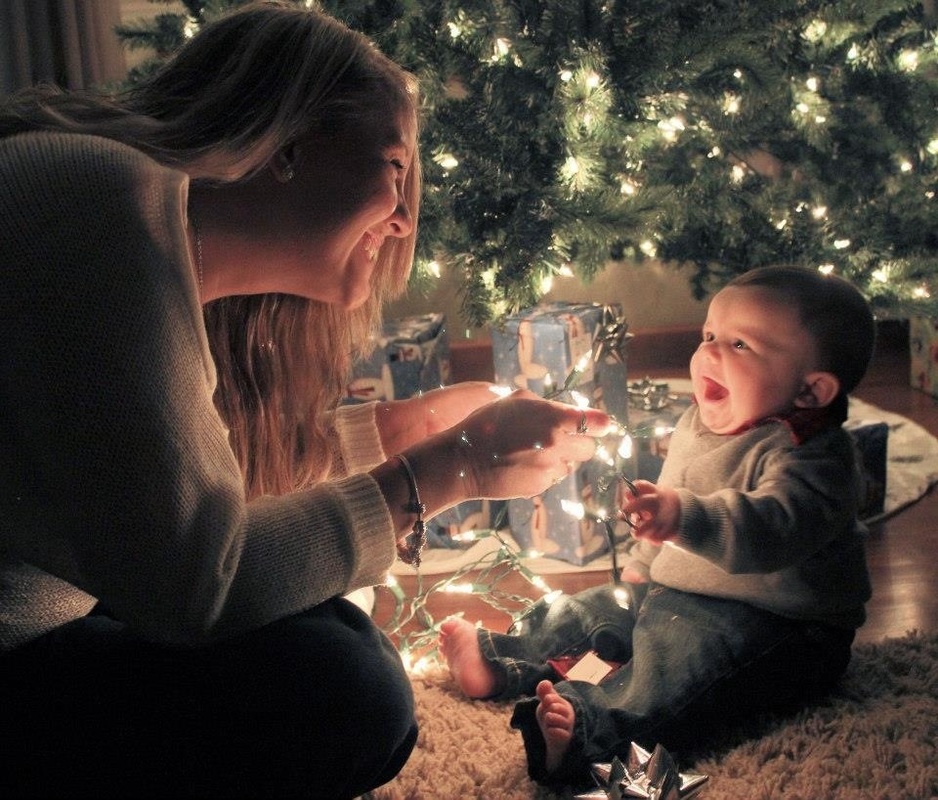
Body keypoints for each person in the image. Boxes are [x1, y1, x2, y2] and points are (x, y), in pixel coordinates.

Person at [0, 3, 610, 798]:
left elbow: (169, 497)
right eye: (394, 168)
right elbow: (195, 587)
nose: (401, 221)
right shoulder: (95, 205)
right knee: (342, 686)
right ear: (289, 141)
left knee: (326, 628)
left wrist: (402, 431)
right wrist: (449, 468)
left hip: (47, 619)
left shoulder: (131, 225)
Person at [440, 265, 876, 789]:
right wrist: (645, 567)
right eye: (709, 335)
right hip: (679, 588)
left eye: (740, 345)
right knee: (585, 610)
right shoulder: (699, 420)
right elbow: (676, 487)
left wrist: (682, 516)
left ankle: (587, 735)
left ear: (811, 392)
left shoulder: (814, 457)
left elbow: (770, 531)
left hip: (778, 626)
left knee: (670, 673)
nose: (710, 353)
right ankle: (497, 660)